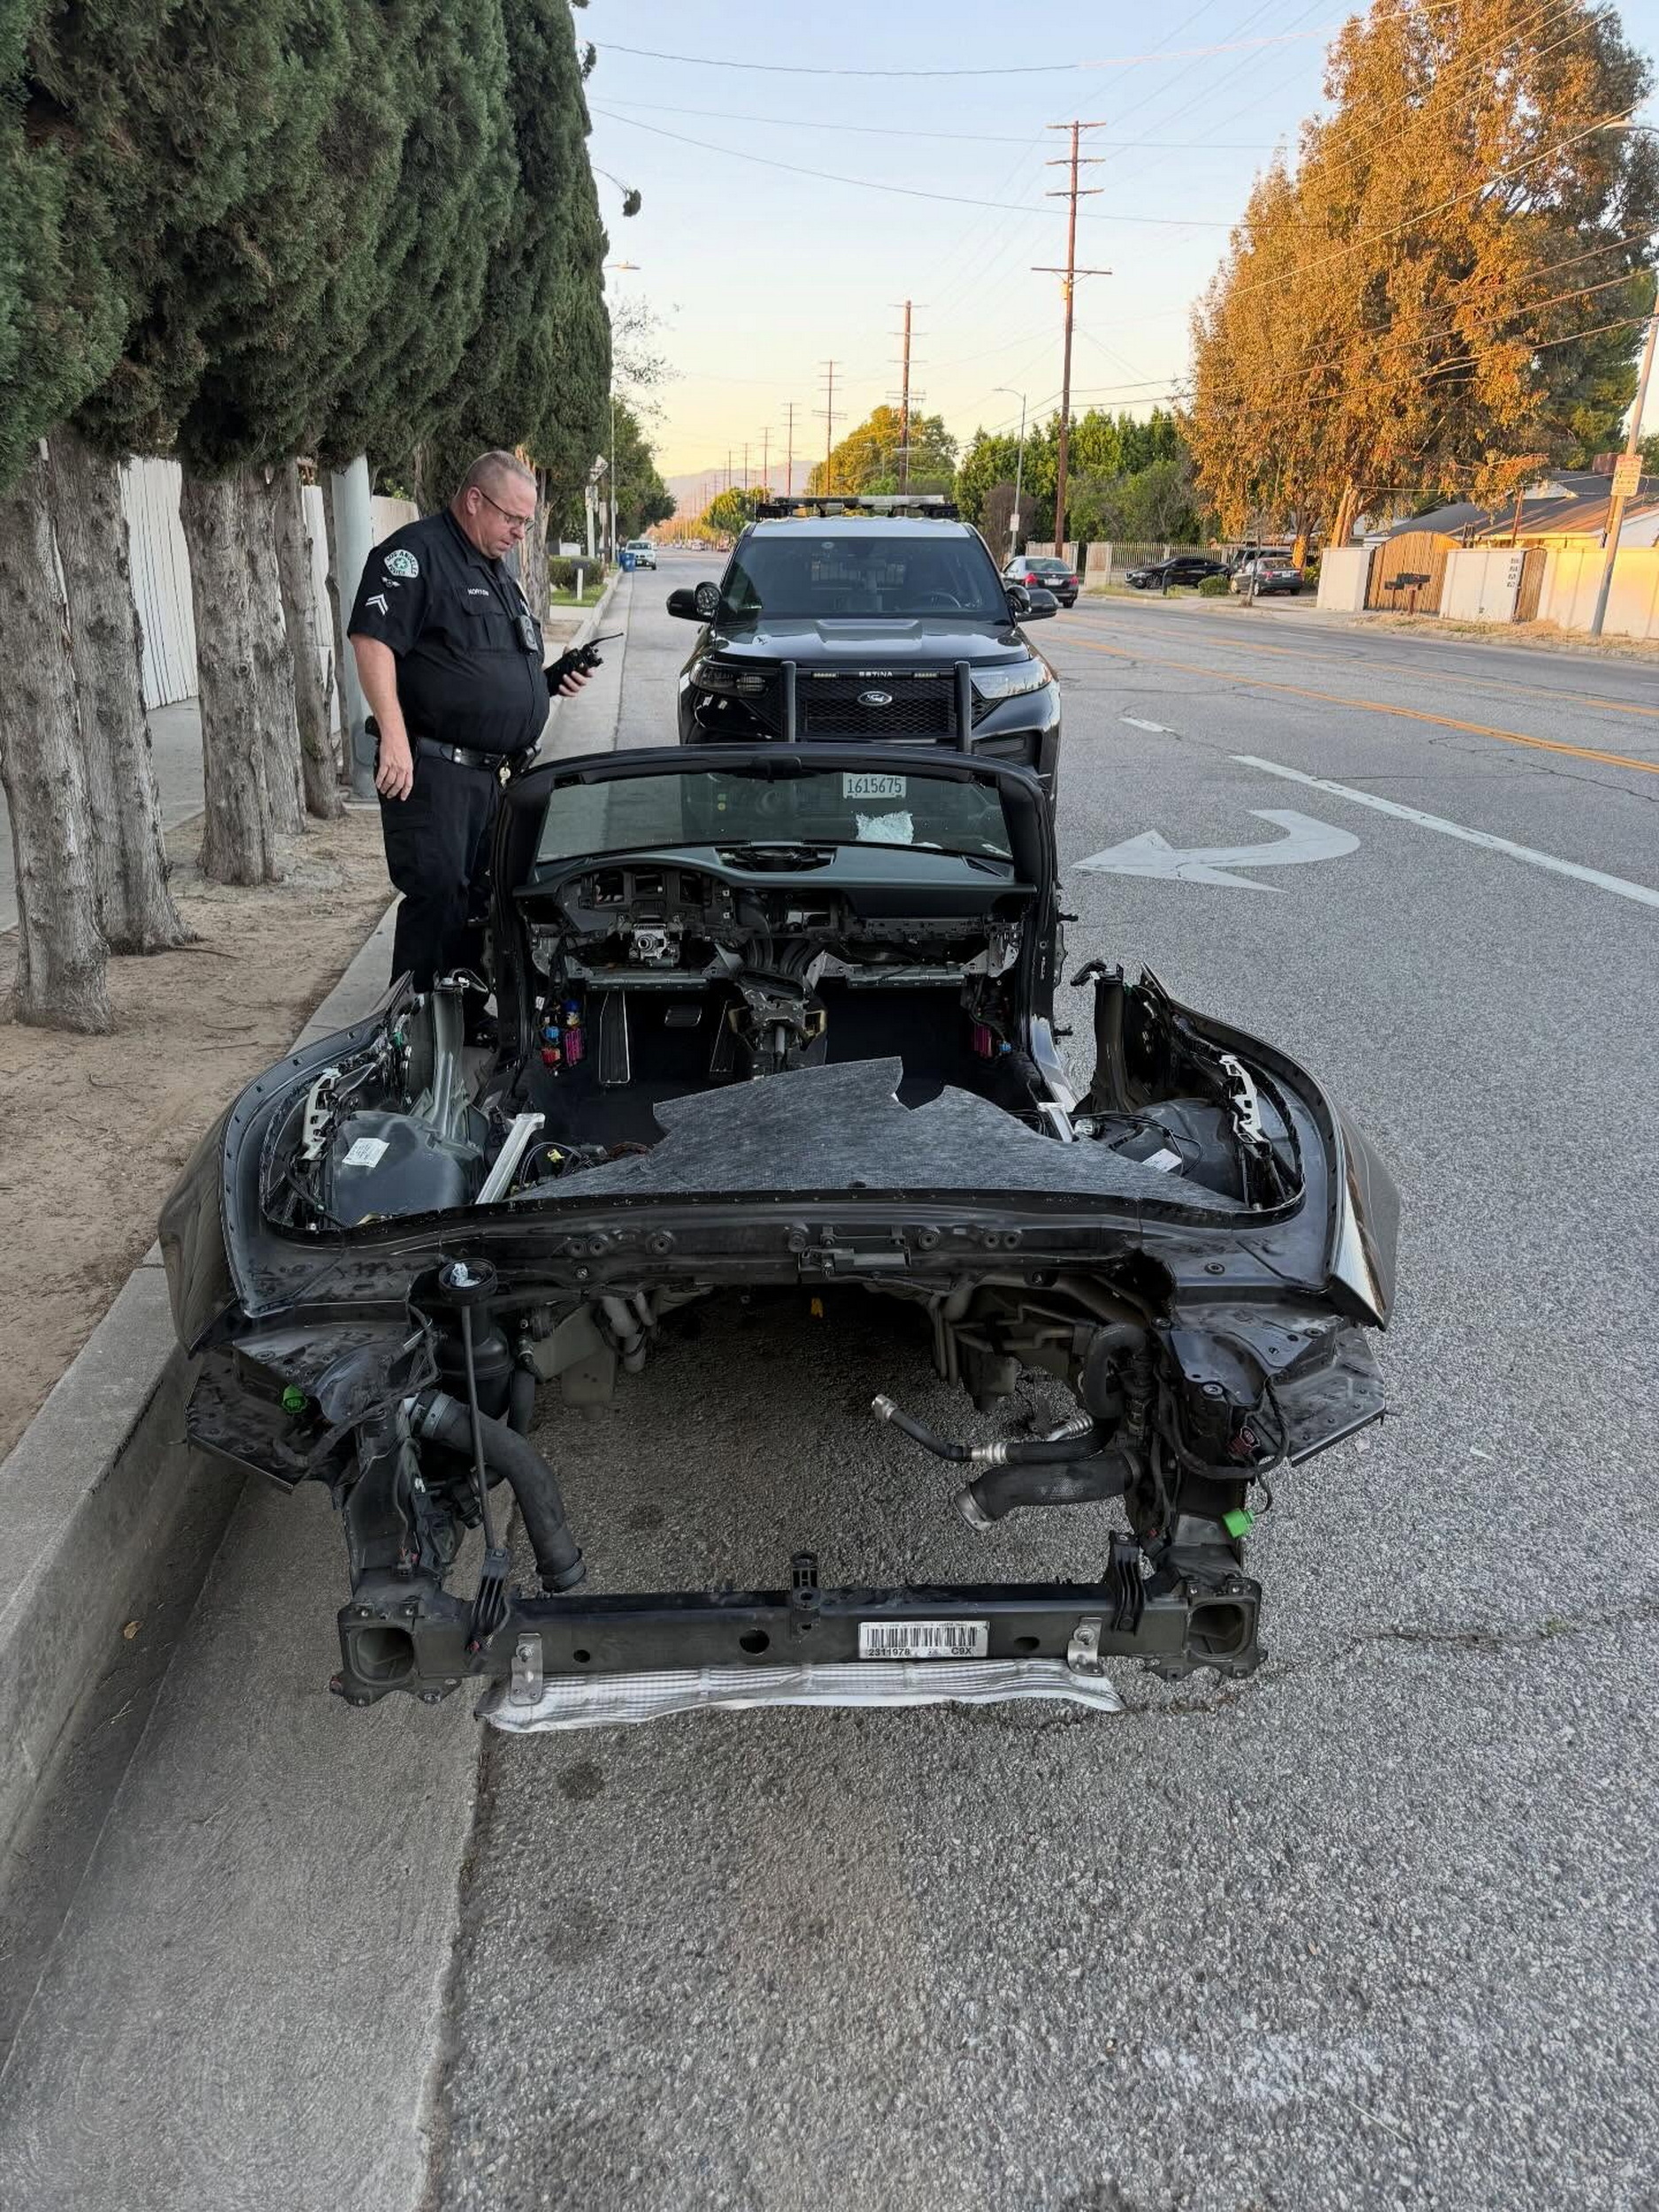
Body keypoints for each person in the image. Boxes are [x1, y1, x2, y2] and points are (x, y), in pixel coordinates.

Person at [347, 449, 591, 994]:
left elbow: (478, 668)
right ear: (475, 500)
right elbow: (372, 640)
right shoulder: (416, 554)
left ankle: (462, 1013)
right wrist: (392, 734)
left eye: (526, 522)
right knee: (437, 895)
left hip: (488, 776)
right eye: (512, 518)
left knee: (481, 900)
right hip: (433, 769)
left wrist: (547, 682)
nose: (519, 532)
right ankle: (410, 1032)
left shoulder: (495, 571)